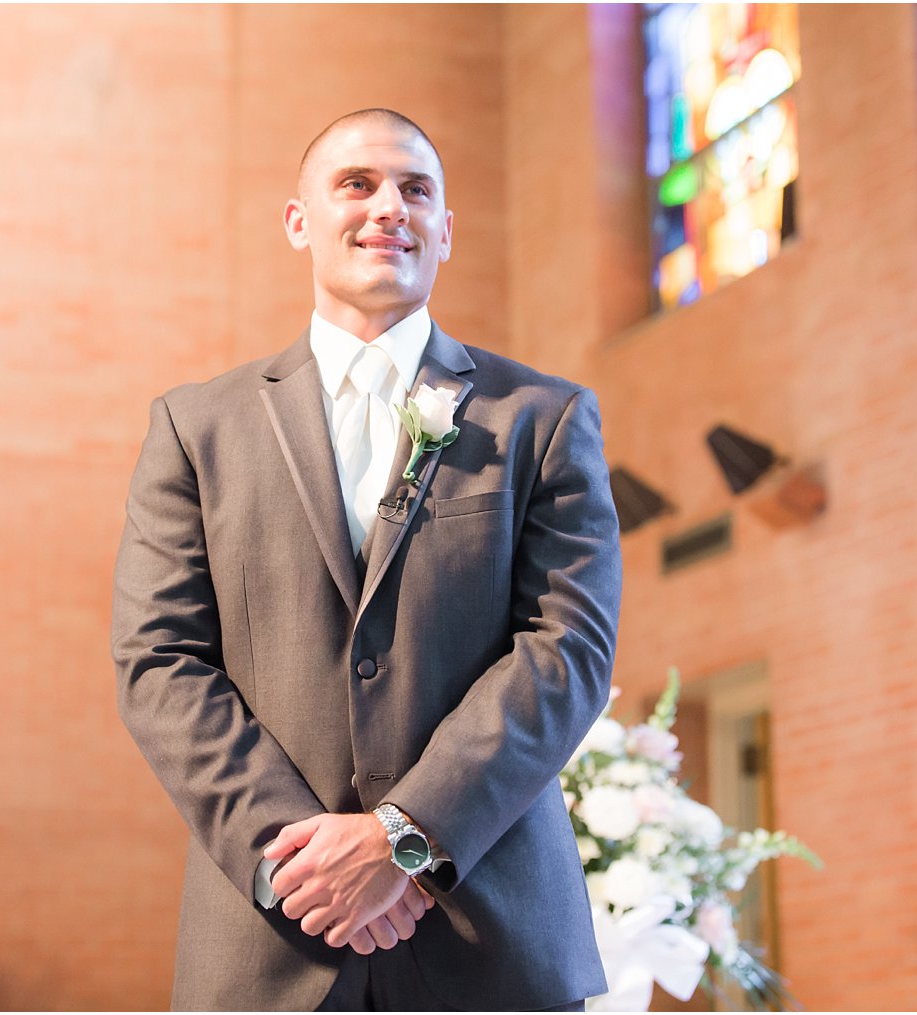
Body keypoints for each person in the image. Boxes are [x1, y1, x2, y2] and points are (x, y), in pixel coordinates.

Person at [112, 108, 622, 1012]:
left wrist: (405, 837)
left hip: (490, 939)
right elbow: (161, 661)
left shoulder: (539, 418)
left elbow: (567, 649)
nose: (390, 207)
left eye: (416, 189)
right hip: (272, 943)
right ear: (299, 221)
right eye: (357, 184)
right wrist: (301, 860)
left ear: (446, 231)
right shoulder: (198, 431)